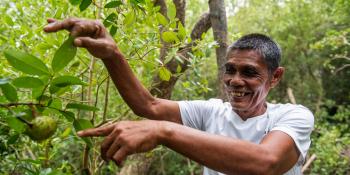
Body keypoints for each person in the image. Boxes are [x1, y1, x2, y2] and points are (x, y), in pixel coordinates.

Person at [44, 18, 314, 175]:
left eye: (249, 72)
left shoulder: (293, 116)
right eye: (230, 70)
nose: (235, 80)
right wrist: (112, 55)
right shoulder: (212, 112)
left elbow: (266, 161)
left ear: (275, 77)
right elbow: (147, 105)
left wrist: (164, 132)